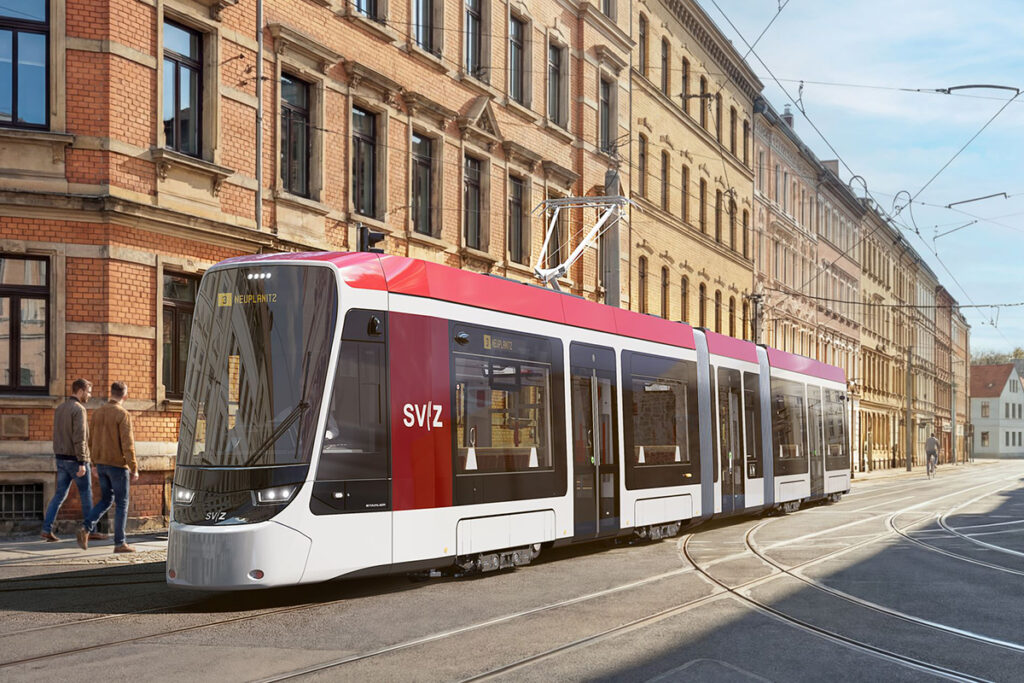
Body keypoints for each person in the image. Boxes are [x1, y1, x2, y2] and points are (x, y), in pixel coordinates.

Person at [41, 379, 107, 542]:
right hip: (76, 460)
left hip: (61, 459)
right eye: (89, 391)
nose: (90, 395)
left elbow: (57, 435)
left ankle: (46, 529)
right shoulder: (79, 409)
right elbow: (80, 438)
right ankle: (89, 530)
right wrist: (83, 461)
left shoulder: (60, 408)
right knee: (86, 494)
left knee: (59, 495)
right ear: (81, 391)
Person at [77, 382, 139, 553]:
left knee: (106, 499)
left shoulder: (97, 413)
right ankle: (120, 543)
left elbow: (90, 441)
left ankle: (86, 527)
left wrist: (94, 464)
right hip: (118, 466)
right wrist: (134, 467)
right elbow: (128, 444)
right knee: (121, 504)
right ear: (125, 396)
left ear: (110, 393)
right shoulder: (122, 414)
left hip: (101, 464)